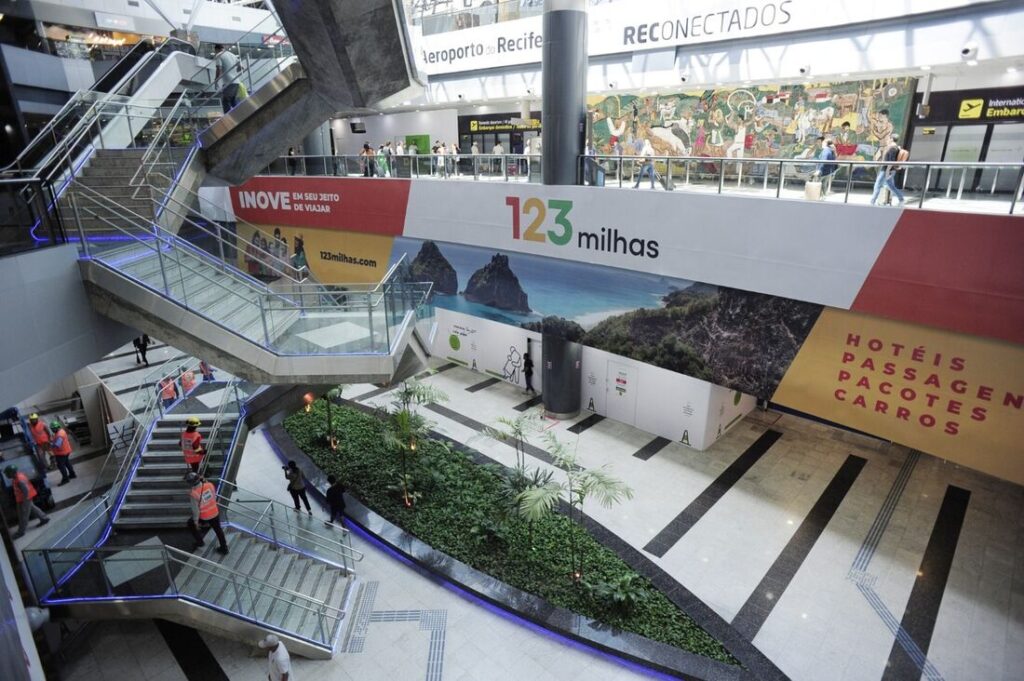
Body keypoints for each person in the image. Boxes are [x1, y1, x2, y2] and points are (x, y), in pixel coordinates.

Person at [186, 472, 228, 555]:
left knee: (190, 523)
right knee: (218, 530)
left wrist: (196, 522)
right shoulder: (210, 485)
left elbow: (195, 510)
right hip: (215, 512)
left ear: (190, 483)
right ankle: (224, 548)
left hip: (204, 516)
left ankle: (200, 542)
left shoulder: (193, 493)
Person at [4, 465, 49, 539]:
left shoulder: (19, 480)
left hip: (24, 499)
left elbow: (26, 491)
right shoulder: (18, 476)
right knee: (33, 508)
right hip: (24, 498)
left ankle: (21, 532)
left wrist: (24, 503)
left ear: (12, 473)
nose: (6, 475)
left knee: (23, 515)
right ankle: (44, 518)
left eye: (7, 474)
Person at [870, 134, 906, 206]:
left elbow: (891, 161)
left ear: (892, 139)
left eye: (889, 138)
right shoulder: (895, 148)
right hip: (889, 170)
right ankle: (901, 199)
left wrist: (887, 172)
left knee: (878, 185)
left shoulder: (893, 148)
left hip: (886, 170)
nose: (888, 139)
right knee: (891, 186)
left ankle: (872, 201)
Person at [213, 44, 241, 114]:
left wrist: (216, 80)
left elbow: (218, 69)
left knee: (225, 102)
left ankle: (228, 119)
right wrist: (234, 72)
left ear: (216, 49)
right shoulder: (232, 55)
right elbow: (241, 67)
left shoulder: (219, 55)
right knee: (233, 101)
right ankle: (239, 115)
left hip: (228, 82)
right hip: (236, 82)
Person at [50, 420, 76, 485]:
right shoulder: (62, 431)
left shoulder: (59, 435)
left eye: (53, 429)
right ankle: (72, 474)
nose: (52, 430)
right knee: (67, 463)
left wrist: (51, 445)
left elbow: (58, 444)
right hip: (66, 451)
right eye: (52, 429)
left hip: (61, 453)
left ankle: (65, 479)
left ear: (56, 427)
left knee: (61, 466)